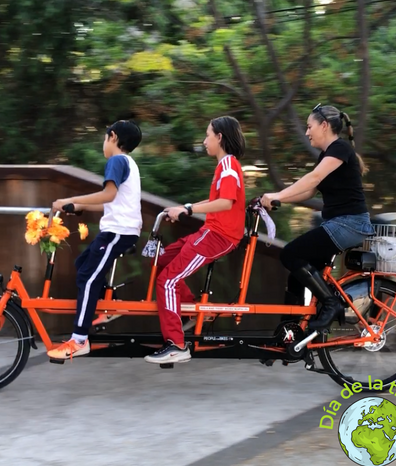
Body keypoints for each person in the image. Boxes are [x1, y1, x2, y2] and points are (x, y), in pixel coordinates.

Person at [261, 104, 374, 331]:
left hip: (350, 224)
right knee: (297, 274)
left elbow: (314, 178)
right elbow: (310, 191)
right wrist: (278, 200)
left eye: (309, 126)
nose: (307, 132)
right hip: (338, 224)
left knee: (291, 254)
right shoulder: (328, 154)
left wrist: (278, 194)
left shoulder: (340, 148)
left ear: (324, 126)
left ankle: (332, 304)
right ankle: (288, 333)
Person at [144, 116, 246, 364]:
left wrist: (188, 209)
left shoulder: (229, 166)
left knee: (168, 281)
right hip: (211, 232)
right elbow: (215, 203)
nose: (204, 141)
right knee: (162, 261)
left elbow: (225, 203)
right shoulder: (224, 166)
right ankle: (191, 310)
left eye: (208, 135)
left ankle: (176, 345)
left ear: (219, 137)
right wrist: (183, 208)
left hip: (219, 236)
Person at [47, 120, 143, 360]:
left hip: (118, 231)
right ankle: (106, 307)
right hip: (118, 230)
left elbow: (108, 194)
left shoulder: (116, 161)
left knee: (87, 277)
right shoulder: (128, 162)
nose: (103, 144)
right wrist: (77, 206)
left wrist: (66, 199)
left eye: (104, 138)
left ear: (112, 137)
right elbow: (112, 200)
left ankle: (79, 340)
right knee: (83, 265)